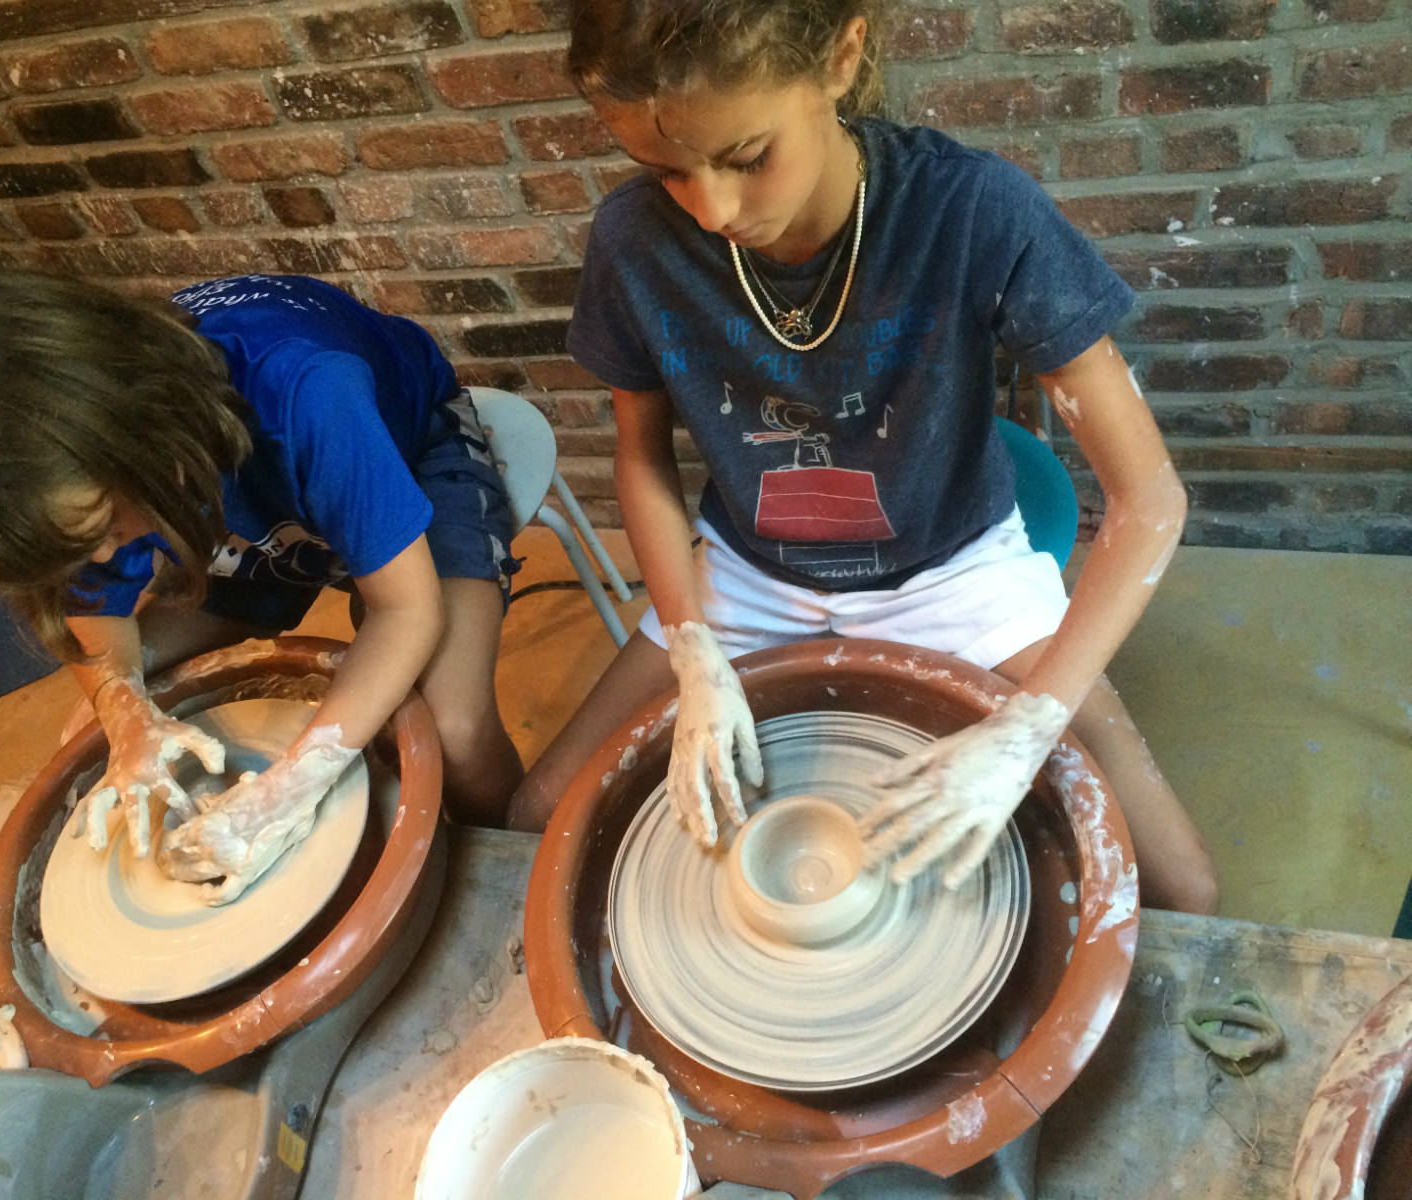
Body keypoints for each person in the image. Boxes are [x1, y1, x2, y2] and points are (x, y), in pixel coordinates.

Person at [508, 0, 1218, 913]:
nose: (713, 209)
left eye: (747, 158)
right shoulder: (635, 240)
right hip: (749, 572)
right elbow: (642, 461)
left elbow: (1150, 500)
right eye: (667, 170)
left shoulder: (971, 210)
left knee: (1181, 888)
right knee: (534, 820)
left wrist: (1030, 726)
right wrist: (692, 648)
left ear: (841, 58)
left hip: (951, 564)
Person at [0, 272, 524, 879]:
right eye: (75, 551)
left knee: (453, 727)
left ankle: (512, 866)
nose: (102, 560)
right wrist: (126, 713)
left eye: (103, 529)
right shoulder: (76, 468)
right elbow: (95, 624)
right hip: (225, 503)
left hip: (410, 451)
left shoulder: (308, 391)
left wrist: (289, 787)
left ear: (135, 433)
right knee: (93, 727)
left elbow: (405, 612)